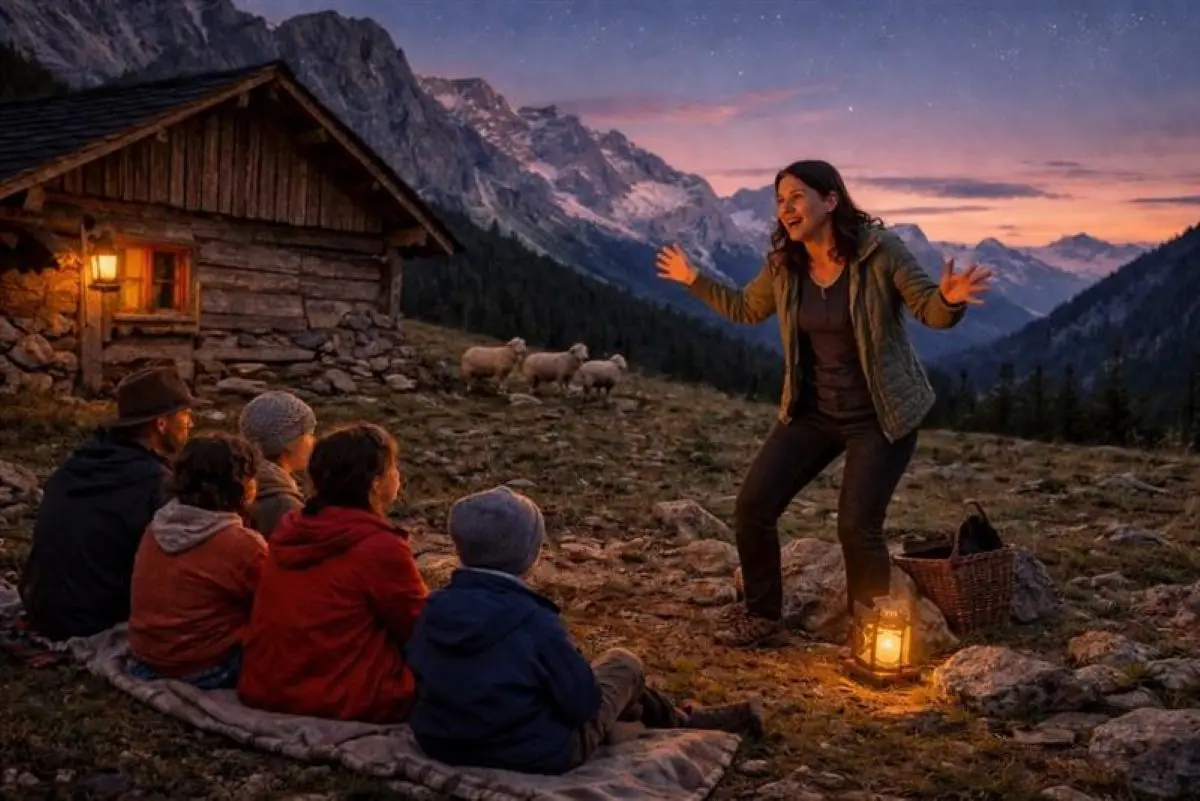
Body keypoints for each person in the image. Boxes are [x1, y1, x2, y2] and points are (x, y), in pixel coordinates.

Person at [655, 160, 992, 648]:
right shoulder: (784, 264)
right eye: (780, 200)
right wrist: (692, 278)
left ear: (830, 200)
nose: (786, 209)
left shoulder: (881, 252)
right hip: (813, 412)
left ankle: (872, 637)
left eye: (796, 197)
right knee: (753, 506)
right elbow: (746, 308)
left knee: (857, 526)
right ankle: (762, 615)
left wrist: (950, 299)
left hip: (880, 415)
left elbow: (929, 310)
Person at [406, 485, 764, 776]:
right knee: (622, 664)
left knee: (602, 691)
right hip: (535, 753)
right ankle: (683, 720)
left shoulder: (434, 607)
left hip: (441, 742)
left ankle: (673, 715)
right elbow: (582, 704)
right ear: (528, 555)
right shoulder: (534, 621)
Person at [236, 422, 428, 723]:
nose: (397, 475)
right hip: (339, 697)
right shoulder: (379, 546)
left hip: (267, 685)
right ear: (375, 483)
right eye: (392, 468)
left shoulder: (292, 529)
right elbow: (418, 626)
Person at [18, 366, 202, 640]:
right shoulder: (155, 482)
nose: (191, 423)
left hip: (43, 608)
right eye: (185, 415)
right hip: (95, 619)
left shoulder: (80, 464)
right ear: (161, 424)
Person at [127, 433, 266, 689]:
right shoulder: (242, 545)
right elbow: (272, 605)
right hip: (202, 667)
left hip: (145, 658)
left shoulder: (157, 526)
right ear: (241, 485)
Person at [237, 390, 316, 538]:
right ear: (288, 443)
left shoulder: (241, 481)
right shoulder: (283, 505)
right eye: (309, 434)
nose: (313, 441)